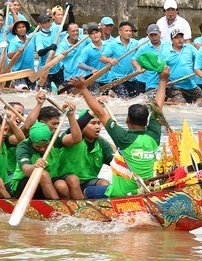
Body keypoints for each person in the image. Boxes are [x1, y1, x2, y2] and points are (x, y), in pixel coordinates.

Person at [71, 62, 169, 199]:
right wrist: (163, 80)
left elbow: (100, 112)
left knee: (87, 191)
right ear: (147, 121)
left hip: (120, 194)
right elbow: (158, 108)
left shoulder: (124, 138)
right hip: (144, 190)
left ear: (127, 120)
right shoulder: (154, 135)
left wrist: (83, 88)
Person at [101, 21, 140, 98]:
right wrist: (110, 60)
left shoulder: (135, 43)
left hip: (132, 77)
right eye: (126, 31)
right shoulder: (113, 44)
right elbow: (102, 58)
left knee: (136, 100)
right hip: (118, 78)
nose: (129, 33)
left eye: (130, 31)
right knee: (123, 99)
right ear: (120, 32)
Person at [163, 30, 201, 104]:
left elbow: (200, 58)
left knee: (201, 102)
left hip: (190, 84)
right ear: (172, 40)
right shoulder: (166, 52)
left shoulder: (190, 48)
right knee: (181, 104)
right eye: (176, 38)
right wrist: (166, 80)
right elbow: (162, 70)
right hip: (175, 85)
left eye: (181, 37)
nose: (179, 39)